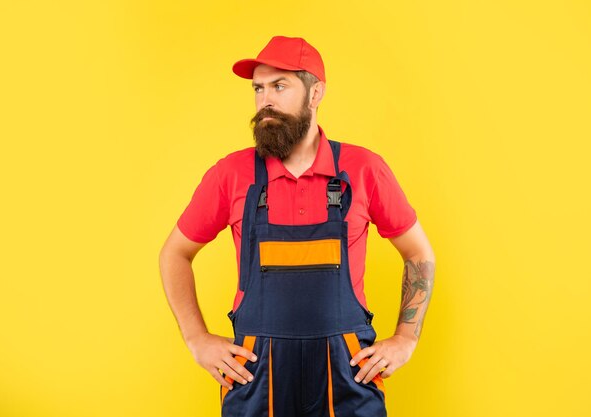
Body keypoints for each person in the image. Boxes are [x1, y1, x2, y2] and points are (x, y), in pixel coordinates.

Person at [159, 35, 436, 417]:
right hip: (256, 378)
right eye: (258, 88)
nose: (265, 100)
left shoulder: (363, 170)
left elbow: (419, 253)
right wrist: (196, 338)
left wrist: (406, 338)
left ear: (316, 92)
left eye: (279, 86)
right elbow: (175, 253)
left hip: (348, 377)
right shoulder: (232, 174)